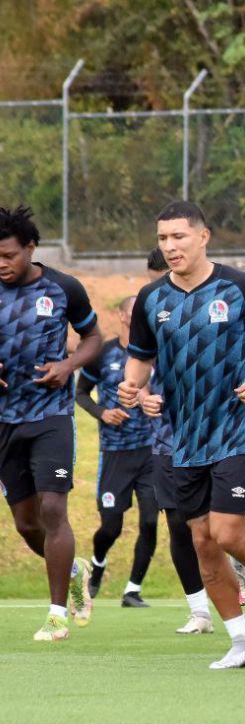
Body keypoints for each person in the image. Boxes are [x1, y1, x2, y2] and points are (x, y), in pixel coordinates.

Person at [119, 200, 245, 669]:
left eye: (179, 236)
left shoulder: (244, 288)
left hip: (239, 427)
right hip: (185, 436)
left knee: (228, 532)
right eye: (163, 239)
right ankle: (241, 643)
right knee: (202, 542)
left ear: (203, 236)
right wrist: (136, 388)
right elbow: (141, 355)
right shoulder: (152, 299)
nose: (171, 246)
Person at [0, 204, 102, 641]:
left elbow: (93, 337)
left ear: (30, 249)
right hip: (4, 421)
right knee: (26, 523)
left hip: (50, 415)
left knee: (53, 508)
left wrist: (68, 365)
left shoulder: (63, 288)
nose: (1, 264)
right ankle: (71, 569)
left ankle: (58, 613)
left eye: (8, 256)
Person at [140, 248, 214, 634]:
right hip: (167, 441)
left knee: (219, 527)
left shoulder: (213, 304)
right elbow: (138, 372)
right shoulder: (150, 311)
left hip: (216, 436)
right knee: (178, 526)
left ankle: (244, 568)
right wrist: (140, 396)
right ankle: (199, 611)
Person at [77, 296, 159, 607]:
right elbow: (81, 394)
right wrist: (102, 413)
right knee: (111, 526)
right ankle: (97, 566)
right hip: (114, 452)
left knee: (150, 521)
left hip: (150, 452)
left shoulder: (157, 354)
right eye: (134, 309)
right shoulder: (104, 353)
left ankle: (132, 590)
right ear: (122, 315)